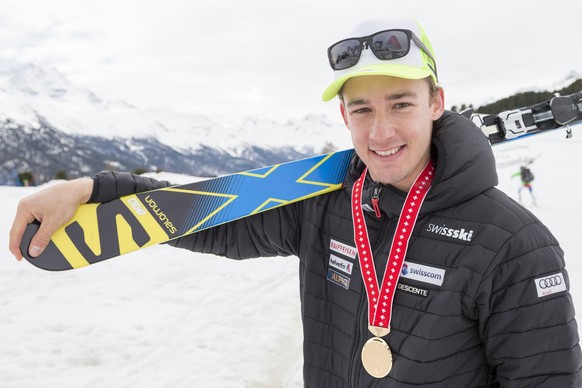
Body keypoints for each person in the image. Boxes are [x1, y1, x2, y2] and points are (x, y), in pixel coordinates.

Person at [9, 18, 582, 387]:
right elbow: (212, 211)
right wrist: (94, 189)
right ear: (343, 115)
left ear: (436, 103)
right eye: (362, 110)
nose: (380, 131)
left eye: (400, 103)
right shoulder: (325, 203)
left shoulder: (515, 247)